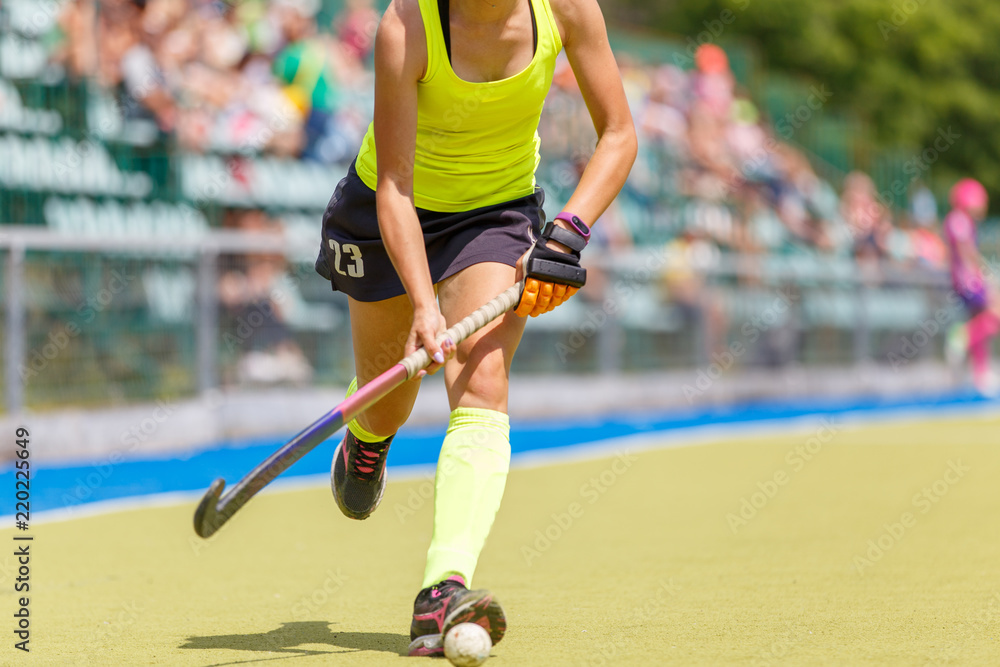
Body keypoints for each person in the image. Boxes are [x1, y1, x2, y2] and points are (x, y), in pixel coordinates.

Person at [313, 0, 636, 657]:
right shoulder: (406, 24)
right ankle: (367, 438)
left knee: (482, 378)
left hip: (493, 214)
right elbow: (396, 189)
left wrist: (568, 232)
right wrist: (425, 309)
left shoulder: (567, 10)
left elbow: (620, 134)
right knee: (387, 392)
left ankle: (443, 587)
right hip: (389, 213)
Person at [943, 178, 999, 396]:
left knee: (981, 323)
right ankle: (962, 336)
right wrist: (986, 277)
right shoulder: (959, 219)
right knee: (994, 316)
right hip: (970, 281)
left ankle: (980, 374)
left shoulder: (960, 220)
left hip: (966, 280)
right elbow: (966, 251)